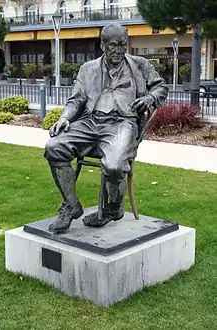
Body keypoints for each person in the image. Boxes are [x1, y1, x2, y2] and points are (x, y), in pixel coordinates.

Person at [44, 22, 168, 233]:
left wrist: (149, 97)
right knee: (53, 147)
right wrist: (65, 118)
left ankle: (113, 209)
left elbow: (161, 87)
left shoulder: (139, 65)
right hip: (90, 122)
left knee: (113, 165)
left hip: (122, 123)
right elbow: (76, 100)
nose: (119, 50)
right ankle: (71, 205)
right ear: (102, 45)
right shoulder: (87, 69)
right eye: (113, 45)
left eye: (122, 45)